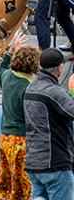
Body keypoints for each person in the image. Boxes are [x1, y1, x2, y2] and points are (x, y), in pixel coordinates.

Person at [0, 33, 40, 200]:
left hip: (4, 138)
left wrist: (11, 50)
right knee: (22, 183)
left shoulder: (7, 77)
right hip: (22, 140)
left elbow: (1, 68)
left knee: (4, 178)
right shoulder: (29, 88)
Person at [24, 47, 74, 200]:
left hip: (34, 162)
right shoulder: (53, 91)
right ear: (59, 68)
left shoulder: (30, 87)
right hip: (55, 163)